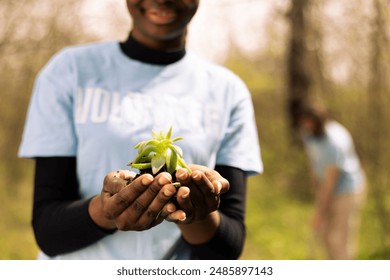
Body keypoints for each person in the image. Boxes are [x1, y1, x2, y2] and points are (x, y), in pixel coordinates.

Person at [18, 0, 262, 260]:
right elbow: (47, 231)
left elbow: (228, 249)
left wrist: (194, 210)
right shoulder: (69, 70)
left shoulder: (227, 91)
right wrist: (106, 211)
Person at [298, 104, 366, 260]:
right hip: (326, 186)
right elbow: (313, 161)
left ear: (319, 122)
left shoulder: (335, 141)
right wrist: (315, 180)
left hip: (347, 190)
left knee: (338, 240)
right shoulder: (308, 134)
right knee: (325, 237)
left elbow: (331, 180)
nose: (306, 126)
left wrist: (320, 212)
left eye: (310, 123)